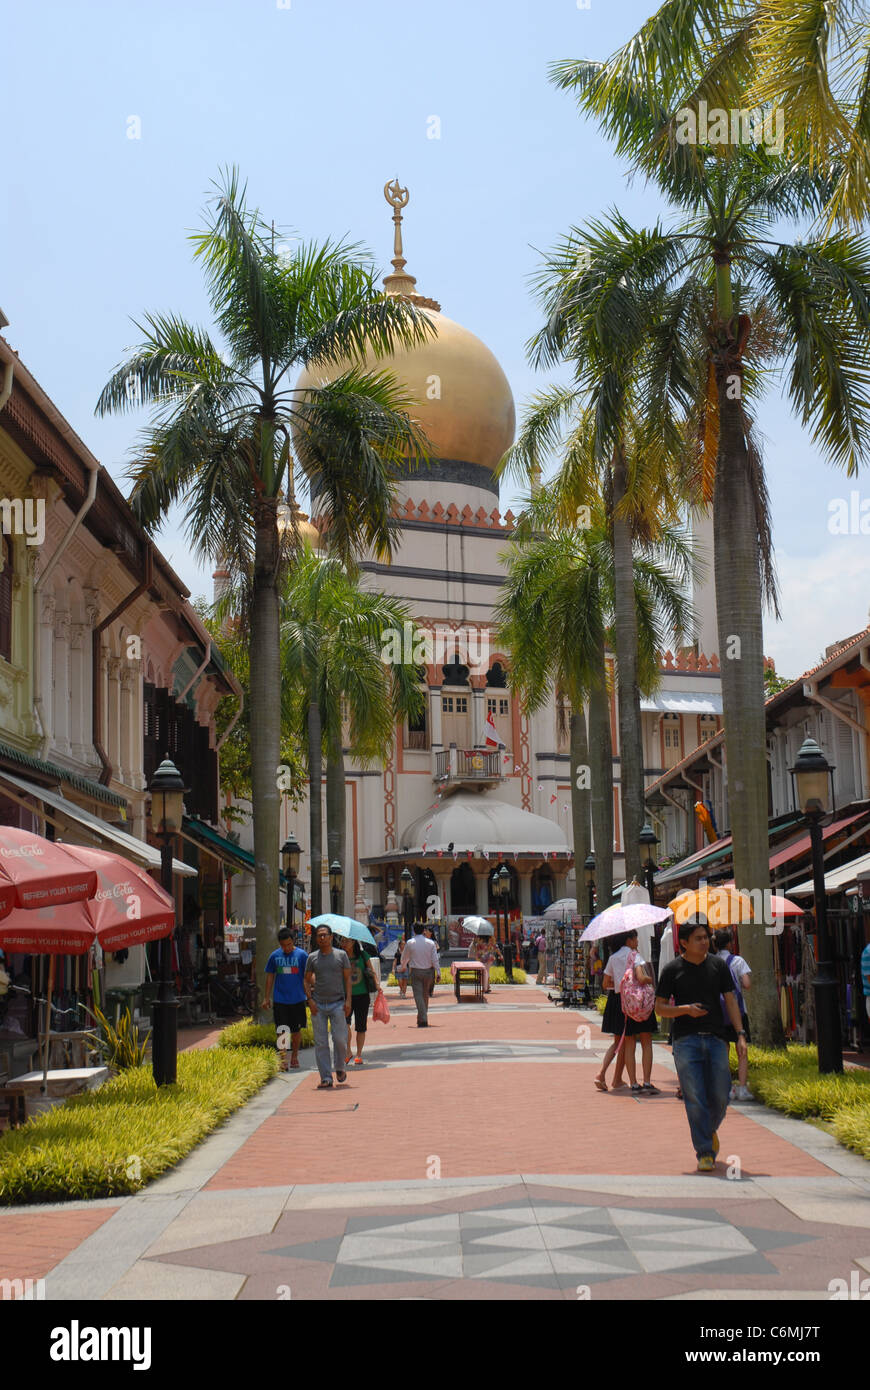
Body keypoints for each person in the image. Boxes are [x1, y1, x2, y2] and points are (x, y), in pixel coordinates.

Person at [655, 919, 747, 1172]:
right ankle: (705, 1150)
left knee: (720, 1093)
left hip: (717, 1038)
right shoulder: (672, 970)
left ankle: (708, 1131)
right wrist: (685, 1010)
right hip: (686, 1040)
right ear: (684, 943)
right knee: (694, 1096)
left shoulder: (718, 965)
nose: (705, 942)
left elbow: (731, 1001)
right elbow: (660, 1008)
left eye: (706, 937)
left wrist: (740, 1034)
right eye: (698, 938)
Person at [594, 930, 657, 1093]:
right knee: (646, 1040)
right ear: (629, 940)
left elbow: (605, 983)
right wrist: (652, 979)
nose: (637, 941)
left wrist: (621, 984)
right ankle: (647, 1081)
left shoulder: (613, 957)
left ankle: (632, 1082)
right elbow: (642, 978)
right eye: (635, 938)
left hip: (619, 1001)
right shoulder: (635, 956)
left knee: (626, 1042)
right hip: (639, 1003)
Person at [304, 926, 352, 1089]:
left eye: (325, 935)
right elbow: (306, 979)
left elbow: (347, 980)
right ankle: (326, 1077)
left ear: (331, 937)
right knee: (321, 1042)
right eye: (319, 936)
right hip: (318, 1005)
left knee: (340, 1039)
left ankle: (339, 1067)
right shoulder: (312, 958)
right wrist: (309, 1000)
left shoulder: (341, 955)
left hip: (338, 1003)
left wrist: (348, 1001)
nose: (322, 938)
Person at [711, 927, 753, 1101]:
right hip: (737, 1010)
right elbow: (747, 983)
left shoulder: (711, 961)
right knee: (741, 1049)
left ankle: (726, 1088)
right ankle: (742, 1088)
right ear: (730, 943)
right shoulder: (738, 961)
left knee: (723, 1050)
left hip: (719, 1012)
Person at [262, 927, 308, 1071]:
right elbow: (270, 977)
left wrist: (311, 996)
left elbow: (307, 976)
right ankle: (283, 1058)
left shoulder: (302, 955)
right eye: (283, 945)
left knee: (295, 1031)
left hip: (298, 999)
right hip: (280, 999)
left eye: (288, 944)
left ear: (293, 941)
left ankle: (294, 1056)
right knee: (282, 1029)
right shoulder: (274, 956)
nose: (286, 948)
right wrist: (266, 997)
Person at [337, 935, 379, 1067]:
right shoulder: (339, 956)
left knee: (361, 1027)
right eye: (342, 941)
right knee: (345, 1024)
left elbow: (372, 972)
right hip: (344, 995)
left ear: (354, 942)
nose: (344, 943)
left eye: (347, 941)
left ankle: (359, 1055)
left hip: (362, 995)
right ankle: (348, 1051)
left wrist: (377, 985)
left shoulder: (363, 955)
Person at [400, 923, 440, 1026]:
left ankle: (423, 1018)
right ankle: (422, 1017)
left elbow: (405, 957)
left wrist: (403, 966)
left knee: (418, 995)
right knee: (425, 995)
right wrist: (438, 972)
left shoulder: (410, 943)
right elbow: (435, 959)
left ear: (414, 931)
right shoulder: (430, 943)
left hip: (416, 971)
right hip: (428, 972)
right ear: (423, 931)